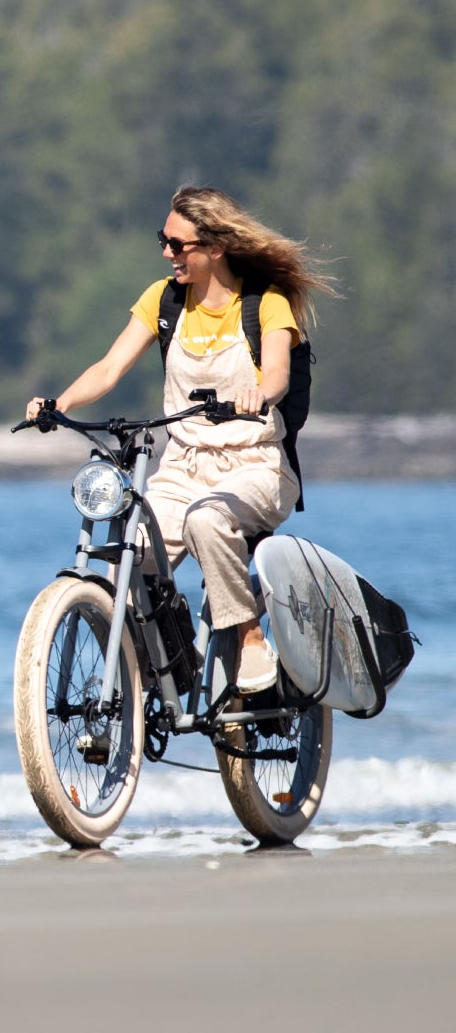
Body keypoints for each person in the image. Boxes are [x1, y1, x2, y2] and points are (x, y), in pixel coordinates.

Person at [25, 185, 333, 693]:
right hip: (182, 467)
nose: (167, 253)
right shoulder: (164, 300)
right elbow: (108, 368)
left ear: (215, 248)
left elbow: (277, 372)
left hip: (254, 466)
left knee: (207, 521)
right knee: (131, 553)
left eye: (177, 245)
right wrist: (58, 405)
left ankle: (251, 636)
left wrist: (260, 395)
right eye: (163, 241)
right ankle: (173, 663)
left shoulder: (265, 305)